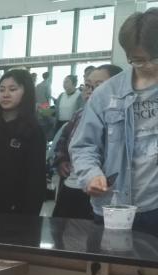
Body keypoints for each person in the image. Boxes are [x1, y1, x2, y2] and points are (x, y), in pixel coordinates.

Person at [71, 8, 158, 235]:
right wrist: (91, 174)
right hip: (114, 206)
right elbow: (83, 145)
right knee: (114, 259)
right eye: (139, 60)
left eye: (155, 58)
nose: (150, 65)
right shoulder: (107, 94)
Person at [52, 65, 123, 219]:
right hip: (72, 185)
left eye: (99, 86)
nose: (90, 91)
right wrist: (62, 160)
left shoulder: (119, 118)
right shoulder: (78, 114)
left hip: (99, 188)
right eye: (88, 85)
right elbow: (64, 141)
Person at [0, 69, 47, 215]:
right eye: (1, 90)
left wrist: (30, 214)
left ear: (26, 93)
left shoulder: (33, 130)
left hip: (17, 207)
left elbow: (36, 177)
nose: (5, 94)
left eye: (13, 89)